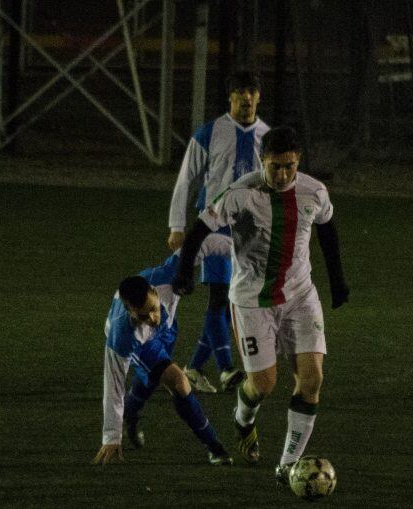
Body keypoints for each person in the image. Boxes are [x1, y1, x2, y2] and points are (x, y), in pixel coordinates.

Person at [171, 126, 349, 485]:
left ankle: (288, 466)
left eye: (290, 166)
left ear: (298, 162)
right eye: (275, 167)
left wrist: (337, 279)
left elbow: (328, 229)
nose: (283, 175)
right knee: (263, 385)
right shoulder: (240, 193)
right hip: (253, 301)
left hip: (300, 296)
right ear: (261, 161)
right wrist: (184, 274)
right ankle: (243, 417)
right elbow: (200, 230)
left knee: (312, 380)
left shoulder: (314, 191)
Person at [168, 71, 271, 393]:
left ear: (258, 96)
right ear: (231, 97)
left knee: (229, 303)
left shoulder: (266, 137)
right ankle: (226, 369)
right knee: (218, 295)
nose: (246, 97)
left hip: (247, 232)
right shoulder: (210, 132)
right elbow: (187, 179)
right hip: (212, 226)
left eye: (251, 91)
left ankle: (194, 367)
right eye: (240, 91)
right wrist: (177, 225)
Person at [92, 253, 232, 466]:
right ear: (130, 311)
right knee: (178, 381)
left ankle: (132, 410)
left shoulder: (167, 275)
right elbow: (113, 384)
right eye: (142, 316)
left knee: (154, 376)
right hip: (142, 345)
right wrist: (111, 436)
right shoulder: (123, 337)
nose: (151, 319)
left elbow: (198, 244)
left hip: (166, 331)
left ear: (155, 291)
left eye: (152, 309)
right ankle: (214, 447)